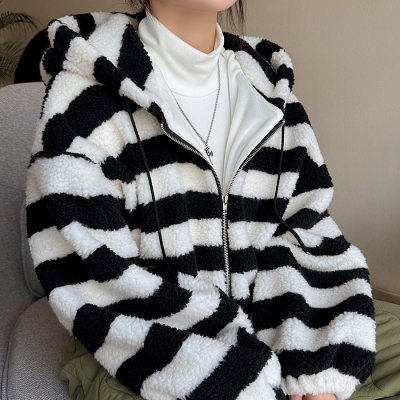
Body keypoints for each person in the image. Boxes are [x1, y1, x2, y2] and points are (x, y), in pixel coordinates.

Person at [25, 0, 376, 399]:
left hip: (264, 324)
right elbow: (92, 273)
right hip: (138, 346)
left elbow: (304, 232)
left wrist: (315, 370)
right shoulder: (84, 99)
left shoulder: (270, 96)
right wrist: (237, 377)